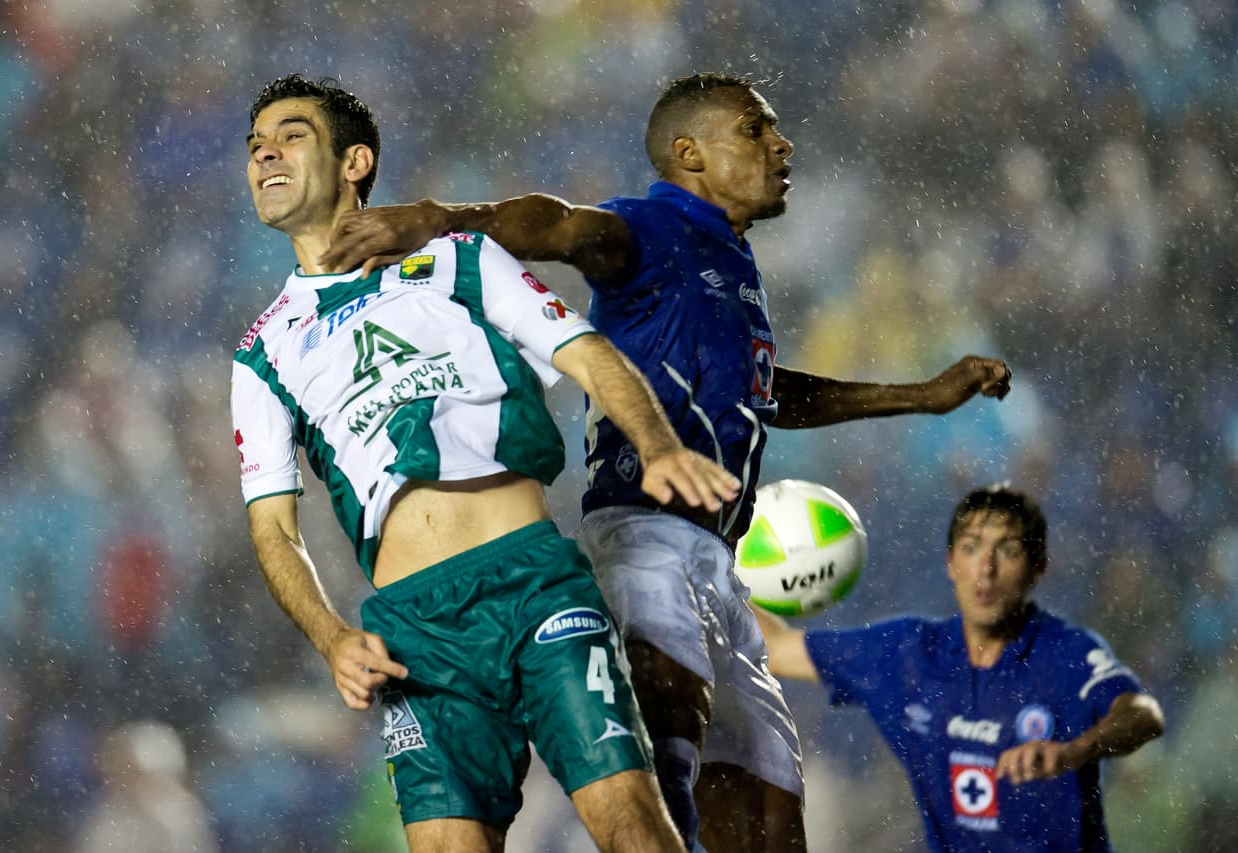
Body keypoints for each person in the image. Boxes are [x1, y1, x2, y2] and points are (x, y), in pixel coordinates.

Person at [317, 72, 1013, 852]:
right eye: (755, 130)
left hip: (721, 563)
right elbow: (560, 227)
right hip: (641, 536)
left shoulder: (731, 266)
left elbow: (764, 390)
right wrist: (438, 219)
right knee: (667, 752)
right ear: (690, 154)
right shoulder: (650, 228)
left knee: (771, 818)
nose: (780, 146)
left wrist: (921, 394)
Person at [232, 74, 746, 853]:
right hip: (414, 633)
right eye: (255, 144)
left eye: (292, 133)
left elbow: (586, 351)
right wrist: (332, 637)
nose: (265, 151)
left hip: (531, 581)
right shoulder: (261, 351)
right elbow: (273, 527)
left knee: (634, 825)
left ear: (354, 162)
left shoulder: (459, 259)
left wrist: (660, 443)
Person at [754, 485, 1166, 852]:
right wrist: (709, 563)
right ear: (951, 563)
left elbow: (1143, 714)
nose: (986, 568)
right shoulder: (907, 653)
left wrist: (1074, 750)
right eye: (971, 547)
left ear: (1037, 568)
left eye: (1008, 550)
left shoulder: (1066, 653)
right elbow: (776, 646)